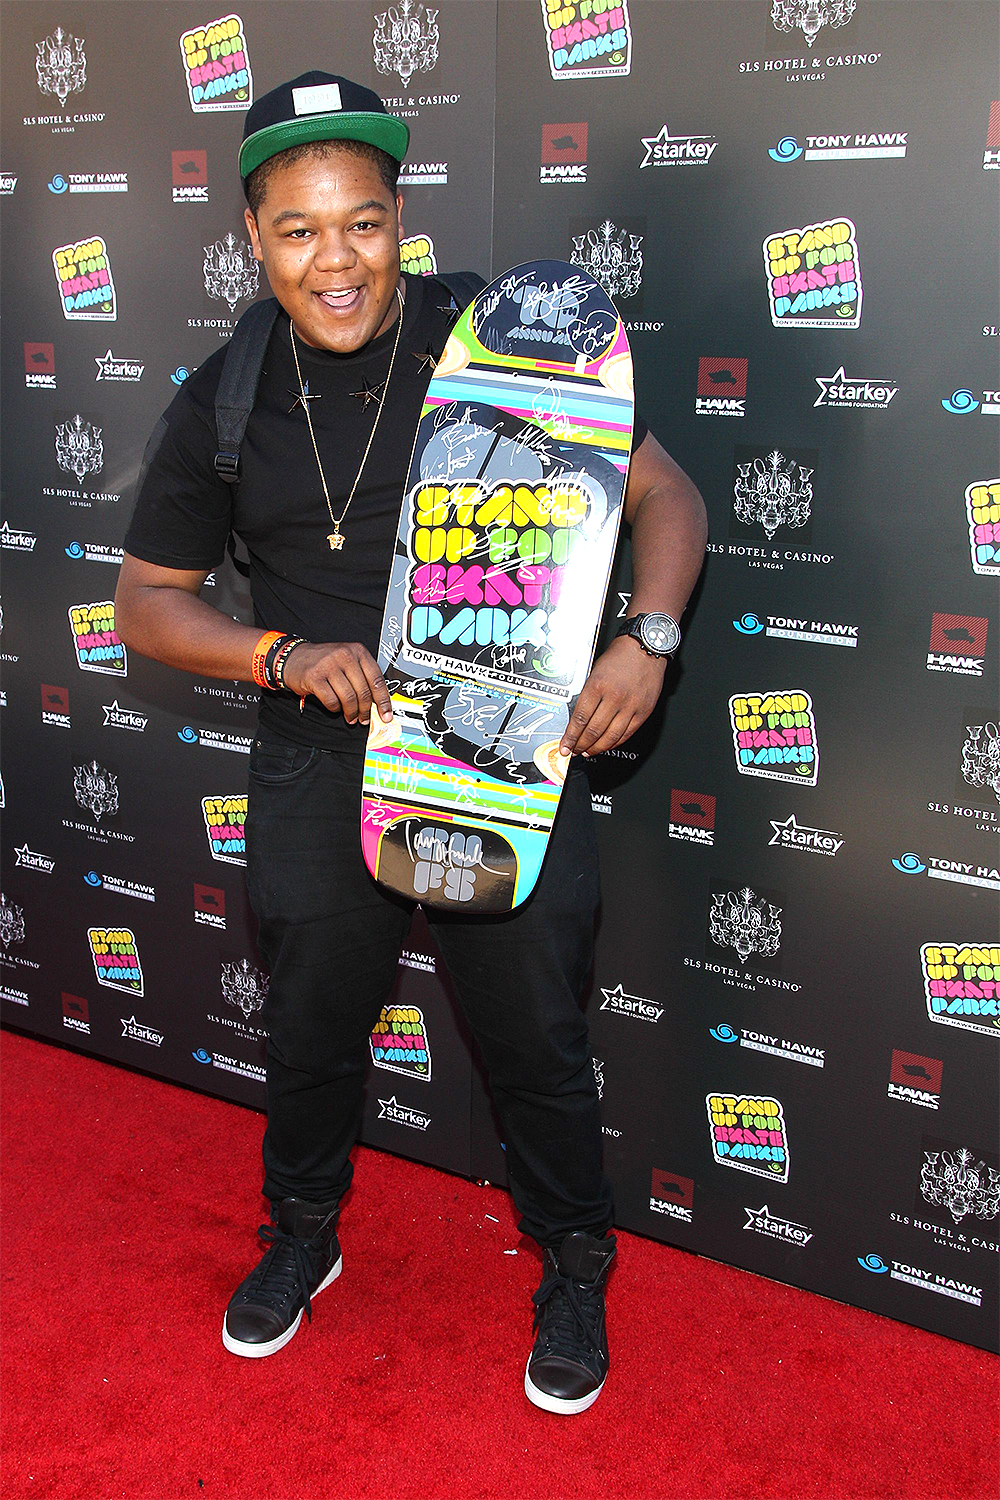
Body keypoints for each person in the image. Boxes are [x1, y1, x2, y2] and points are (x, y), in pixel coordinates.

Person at [115, 71, 707, 1415]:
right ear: (254, 242)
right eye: (301, 231)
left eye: (364, 223)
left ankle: (572, 1259)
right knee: (315, 1032)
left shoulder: (501, 339)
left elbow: (667, 494)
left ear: (401, 223)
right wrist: (277, 654)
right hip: (326, 759)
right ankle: (303, 1236)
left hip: (505, 749)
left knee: (536, 1040)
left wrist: (647, 641)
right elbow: (143, 603)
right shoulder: (222, 401)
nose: (338, 261)